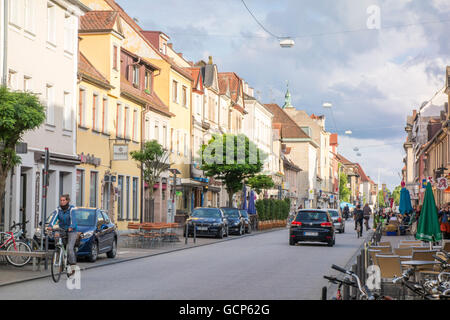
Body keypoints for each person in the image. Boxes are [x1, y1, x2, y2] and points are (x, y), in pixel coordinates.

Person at [47, 194, 78, 277]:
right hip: (62, 230)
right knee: (56, 237)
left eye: (64, 200)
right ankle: (59, 258)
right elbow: (54, 218)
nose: (62, 202)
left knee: (69, 248)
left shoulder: (72, 209)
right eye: (61, 200)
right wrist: (50, 226)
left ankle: (72, 266)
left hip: (72, 231)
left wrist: (71, 227)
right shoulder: (58, 209)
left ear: (67, 201)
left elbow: (74, 220)